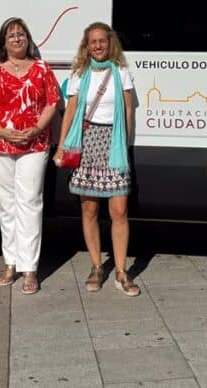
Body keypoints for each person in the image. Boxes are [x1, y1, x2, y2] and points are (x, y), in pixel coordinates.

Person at [0, 17, 60, 295]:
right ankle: (10, 262)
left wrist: (35, 128)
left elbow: (52, 102)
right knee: (7, 203)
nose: (17, 39)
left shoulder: (42, 69)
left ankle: (29, 268)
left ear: (28, 38)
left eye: (21, 34)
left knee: (30, 202)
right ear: (3, 41)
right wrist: (0, 130)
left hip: (33, 144)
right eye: (11, 35)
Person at [54, 22, 139, 297]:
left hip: (113, 145)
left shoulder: (122, 72)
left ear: (110, 43)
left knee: (119, 211)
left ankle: (121, 270)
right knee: (89, 210)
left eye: (103, 41)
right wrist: (62, 146)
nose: (98, 46)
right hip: (87, 143)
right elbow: (71, 112)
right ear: (86, 45)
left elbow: (128, 111)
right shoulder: (80, 73)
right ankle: (95, 266)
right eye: (93, 41)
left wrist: (124, 146)